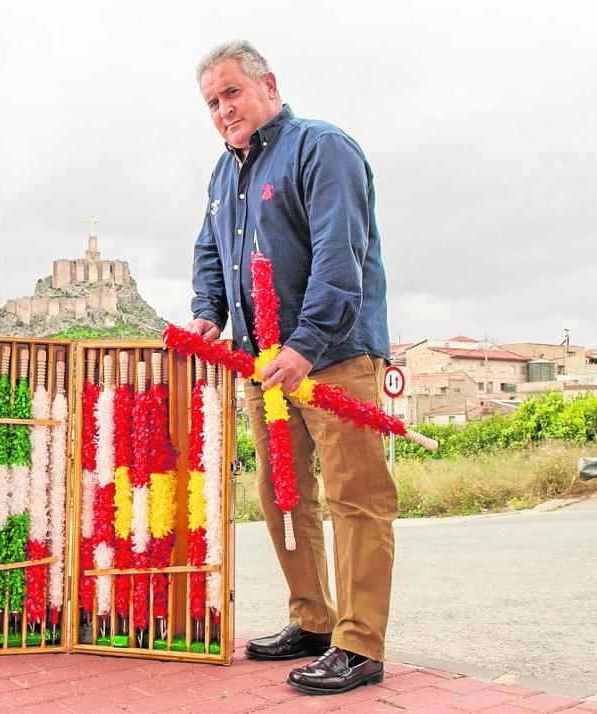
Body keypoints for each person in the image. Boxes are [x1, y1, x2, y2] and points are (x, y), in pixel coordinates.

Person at [188, 40, 395, 696]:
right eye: (212, 102)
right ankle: (311, 620)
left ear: (268, 86)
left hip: (332, 358)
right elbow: (210, 252)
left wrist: (304, 346)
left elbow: (341, 255)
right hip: (265, 367)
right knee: (285, 494)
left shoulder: (322, 148)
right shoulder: (224, 175)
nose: (223, 110)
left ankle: (358, 645)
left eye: (232, 92)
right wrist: (207, 313)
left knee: (356, 499)